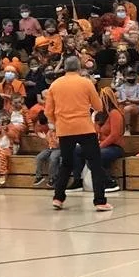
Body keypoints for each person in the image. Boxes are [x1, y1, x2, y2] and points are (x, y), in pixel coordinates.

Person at [47, 56, 112, 211]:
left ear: (64, 68)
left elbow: (48, 111)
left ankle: (58, 198)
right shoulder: (86, 83)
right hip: (84, 128)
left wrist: (57, 122)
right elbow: (98, 106)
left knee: (66, 164)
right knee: (95, 164)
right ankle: (100, 201)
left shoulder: (55, 85)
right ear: (78, 68)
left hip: (64, 129)